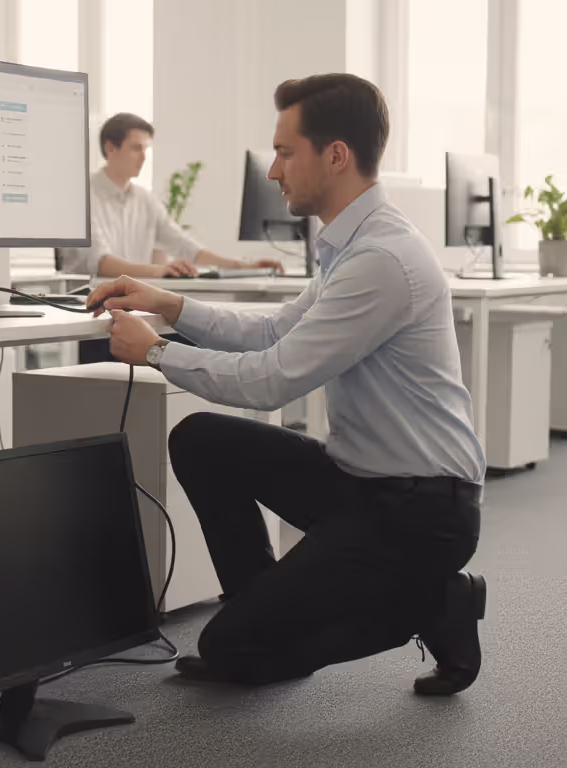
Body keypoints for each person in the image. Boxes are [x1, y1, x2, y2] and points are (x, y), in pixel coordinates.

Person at [87, 74, 488, 696]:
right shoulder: (350, 245)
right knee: (201, 440)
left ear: (335, 156)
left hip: (422, 511)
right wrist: (168, 302)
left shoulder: (381, 259)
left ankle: (436, 603)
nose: (274, 170)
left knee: (229, 649)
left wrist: (158, 352)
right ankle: (266, 612)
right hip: (363, 484)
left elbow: (274, 379)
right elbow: (272, 330)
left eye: (284, 151)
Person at [60, 113, 283, 279]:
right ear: (110, 149)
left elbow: (186, 247)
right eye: (136, 148)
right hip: (89, 304)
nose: (143, 157)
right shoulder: (81, 194)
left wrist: (244, 266)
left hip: (129, 303)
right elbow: (102, 264)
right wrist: (161, 271)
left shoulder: (144, 199)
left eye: (146, 149)